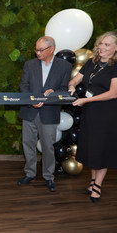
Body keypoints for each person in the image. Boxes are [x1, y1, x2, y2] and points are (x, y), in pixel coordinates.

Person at [68, 31, 117, 203]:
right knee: (91, 147)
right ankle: (92, 182)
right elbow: (76, 79)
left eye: (107, 45)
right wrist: (72, 85)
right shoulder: (92, 62)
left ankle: (97, 186)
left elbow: (113, 93)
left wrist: (85, 100)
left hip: (107, 113)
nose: (102, 47)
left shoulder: (115, 66)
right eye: (101, 44)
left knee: (101, 149)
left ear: (116, 49)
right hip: (90, 112)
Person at [18, 36, 72, 192]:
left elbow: (64, 90)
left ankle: (49, 177)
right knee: (28, 144)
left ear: (51, 49)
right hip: (29, 112)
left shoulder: (64, 66)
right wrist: (31, 100)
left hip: (49, 113)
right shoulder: (29, 65)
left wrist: (53, 94)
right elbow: (23, 86)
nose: (37, 52)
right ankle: (30, 173)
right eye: (36, 49)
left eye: (41, 50)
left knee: (48, 147)